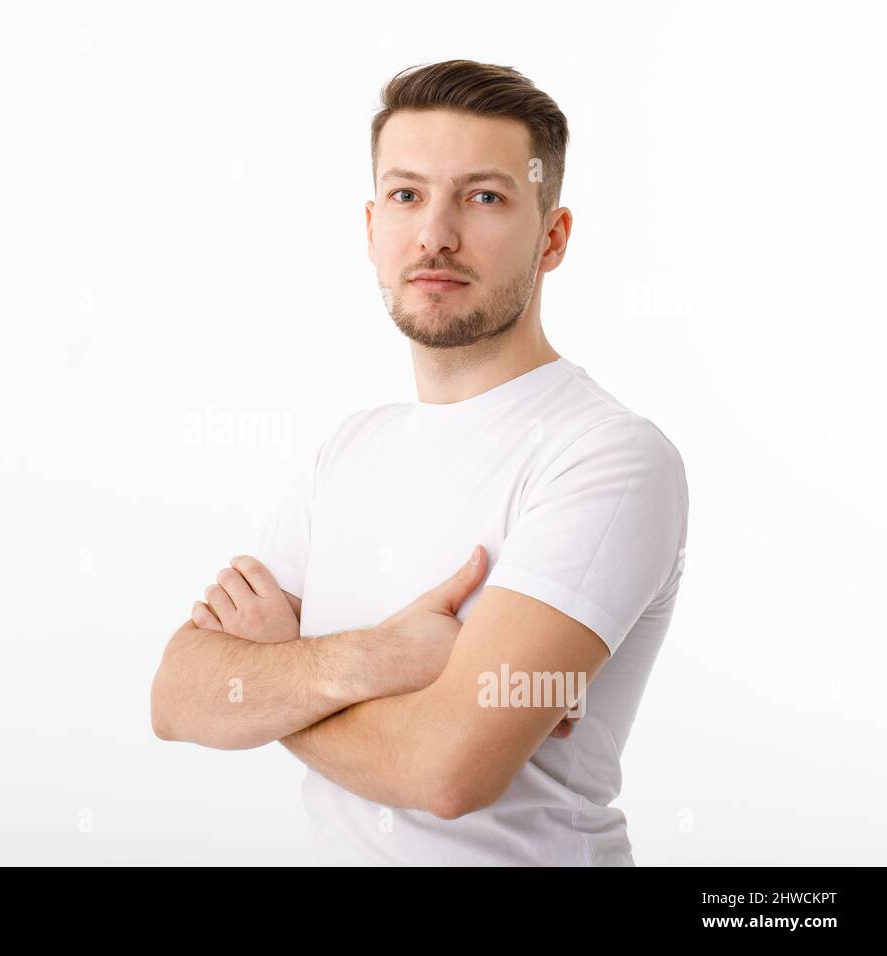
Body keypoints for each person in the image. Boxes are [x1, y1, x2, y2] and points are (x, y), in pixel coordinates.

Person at [150, 59, 689, 866]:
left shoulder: (607, 456)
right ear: (372, 227)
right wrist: (377, 661)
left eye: (483, 196)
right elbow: (178, 695)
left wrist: (276, 679)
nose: (436, 232)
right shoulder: (350, 449)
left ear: (554, 237)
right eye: (407, 194)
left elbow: (445, 769)